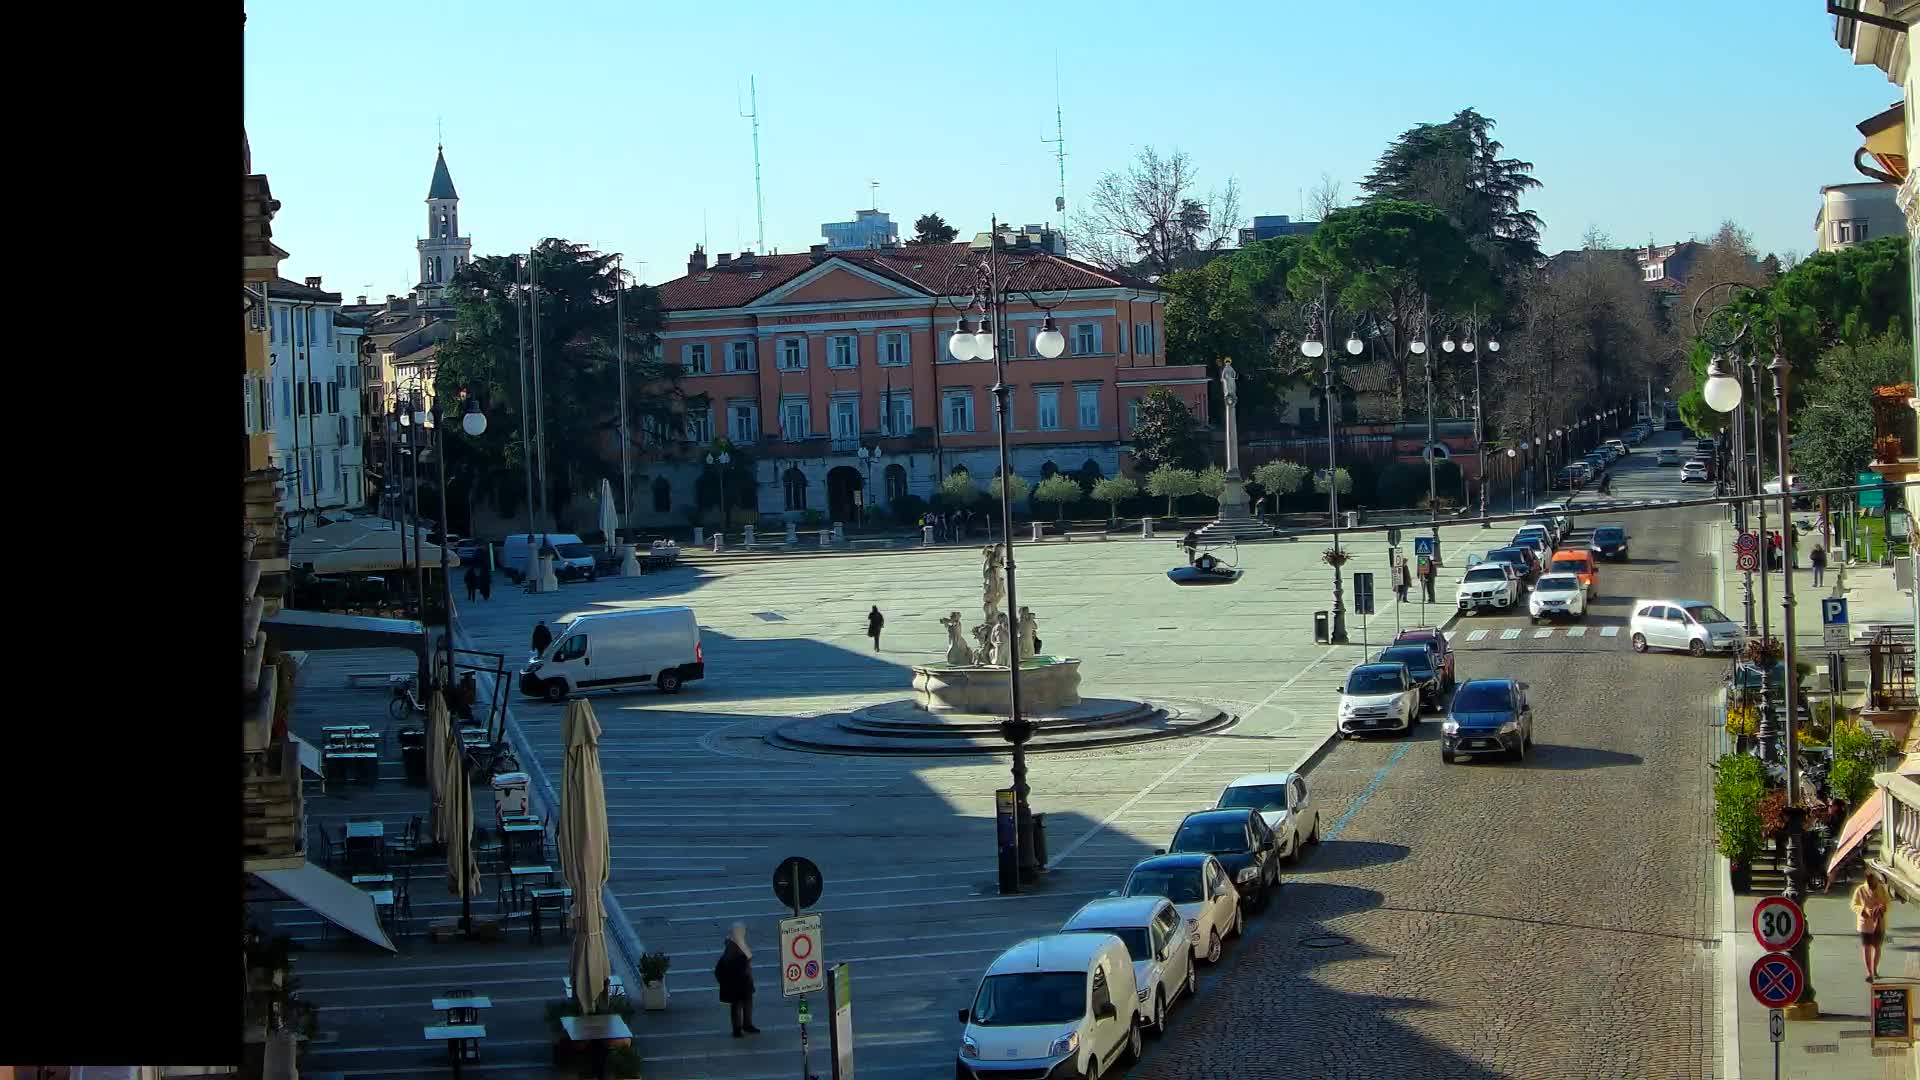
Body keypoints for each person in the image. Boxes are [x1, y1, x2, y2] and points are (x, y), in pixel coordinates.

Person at [715, 922, 759, 1036]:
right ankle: (738, 1029)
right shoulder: (733, 947)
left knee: (746, 1004)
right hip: (738, 983)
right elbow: (733, 965)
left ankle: (746, 1025)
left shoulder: (738, 943)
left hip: (744, 982)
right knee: (737, 1005)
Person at [1852, 870, 1893, 982]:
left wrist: (1882, 907)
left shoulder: (1882, 889)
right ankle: (1869, 972)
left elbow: (1888, 902)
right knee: (1866, 947)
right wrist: (1863, 910)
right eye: (1869, 879)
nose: (1872, 881)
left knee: (1877, 946)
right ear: (1866, 879)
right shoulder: (1860, 890)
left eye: (1873, 879)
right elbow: (1854, 905)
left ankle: (1874, 969)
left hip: (1879, 922)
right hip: (1865, 924)